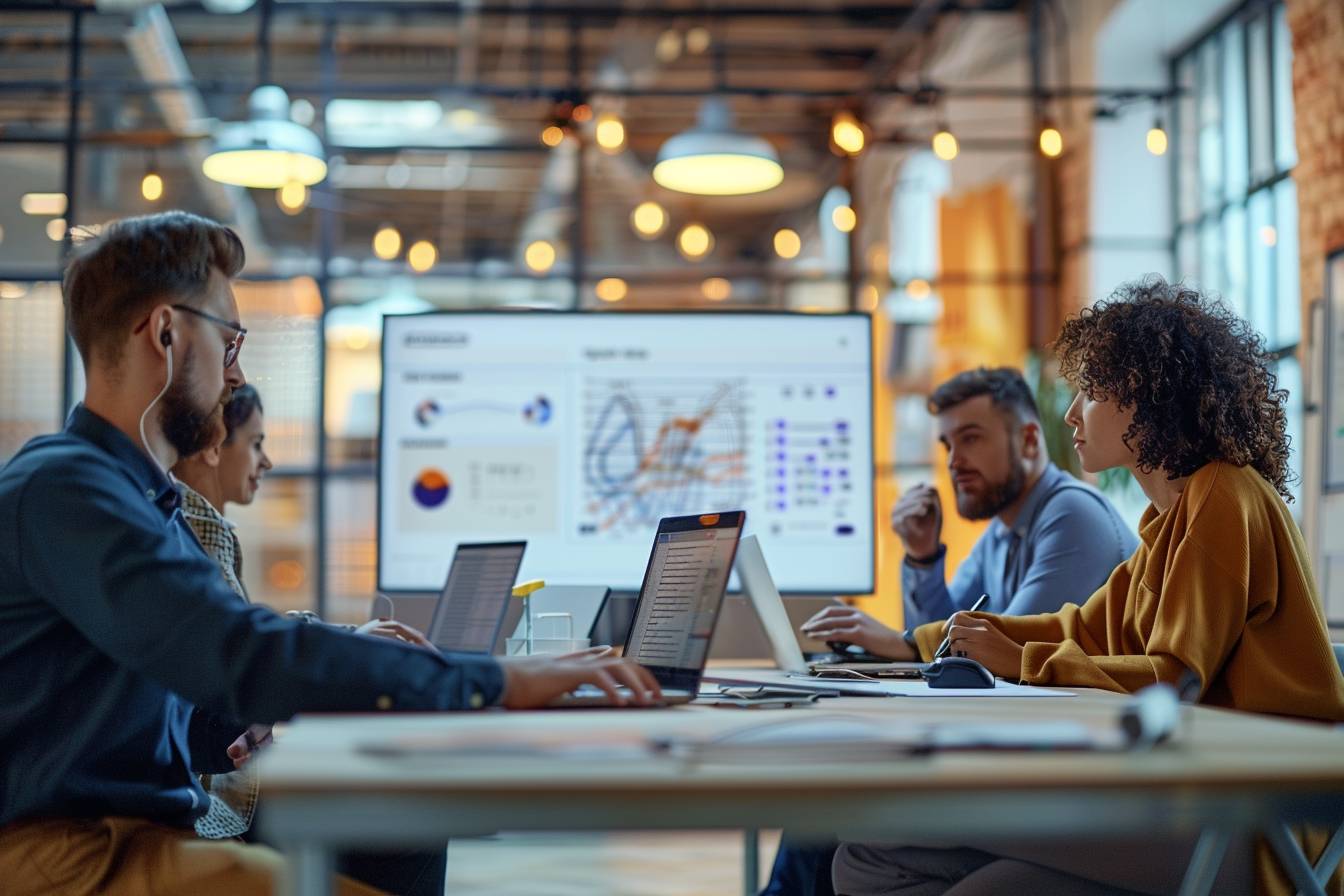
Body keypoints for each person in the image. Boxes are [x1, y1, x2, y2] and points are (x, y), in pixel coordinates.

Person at [0, 211, 661, 896]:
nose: (236, 376)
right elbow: (234, 652)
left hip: (136, 836)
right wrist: (495, 682)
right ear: (166, 333)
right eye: (229, 343)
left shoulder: (139, 501)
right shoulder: (64, 488)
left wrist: (266, 711)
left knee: (396, 833)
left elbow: (171, 705)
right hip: (71, 857)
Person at [831, 276, 1344, 896]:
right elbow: (1083, 628)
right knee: (863, 857)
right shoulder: (1165, 520)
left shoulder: (1223, 495)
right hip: (1195, 790)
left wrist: (1017, 657)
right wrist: (936, 640)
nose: (1071, 415)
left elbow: (1173, 679)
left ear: (1152, 399)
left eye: (1091, 392)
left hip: (1259, 815)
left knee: (889, 840)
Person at [763, 368, 1136, 896]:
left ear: (1029, 439)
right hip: (1011, 755)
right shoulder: (1001, 533)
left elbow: (999, 660)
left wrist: (899, 643)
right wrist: (921, 554)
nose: (954, 461)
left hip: (1062, 776)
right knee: (832, 794)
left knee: (840, 804)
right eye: (947, 444)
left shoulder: (1071, 514)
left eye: (971, 439)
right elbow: (950, 635)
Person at [171, 386, 449, 894]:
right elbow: (240, 653)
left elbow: (245, 635)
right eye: (255, 443)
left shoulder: (197, 528)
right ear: (213, 445)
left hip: (221, 773)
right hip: (219, 802)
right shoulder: (187, 527)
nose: (267, 460)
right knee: (414, 813)